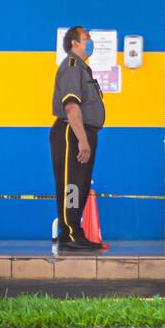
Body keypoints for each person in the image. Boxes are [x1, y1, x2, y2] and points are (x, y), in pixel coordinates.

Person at [49, 26, 105, 251]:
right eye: (87, 38)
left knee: (80, 184)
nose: (91, 41)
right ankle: (70, 232)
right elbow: (71, 107)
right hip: (71, 132)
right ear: (74, 43)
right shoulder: (72, 67)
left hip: (82, 132)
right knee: (71, 184)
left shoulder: (83, 68)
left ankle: (74, 231)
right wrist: (82, 140)